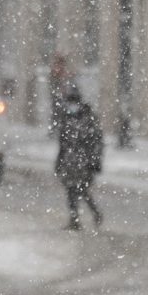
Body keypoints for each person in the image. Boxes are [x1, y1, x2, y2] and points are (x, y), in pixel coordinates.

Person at [54, 84, 105, 231]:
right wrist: (59, 161)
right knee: (72, 191)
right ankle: (76, 219)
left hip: (84, 161)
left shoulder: (88, 119)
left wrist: (94, 161)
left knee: (81, 190)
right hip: (70, 161)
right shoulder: (67, 119)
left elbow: (96, 141)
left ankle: (91, 214)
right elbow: (62, 144)